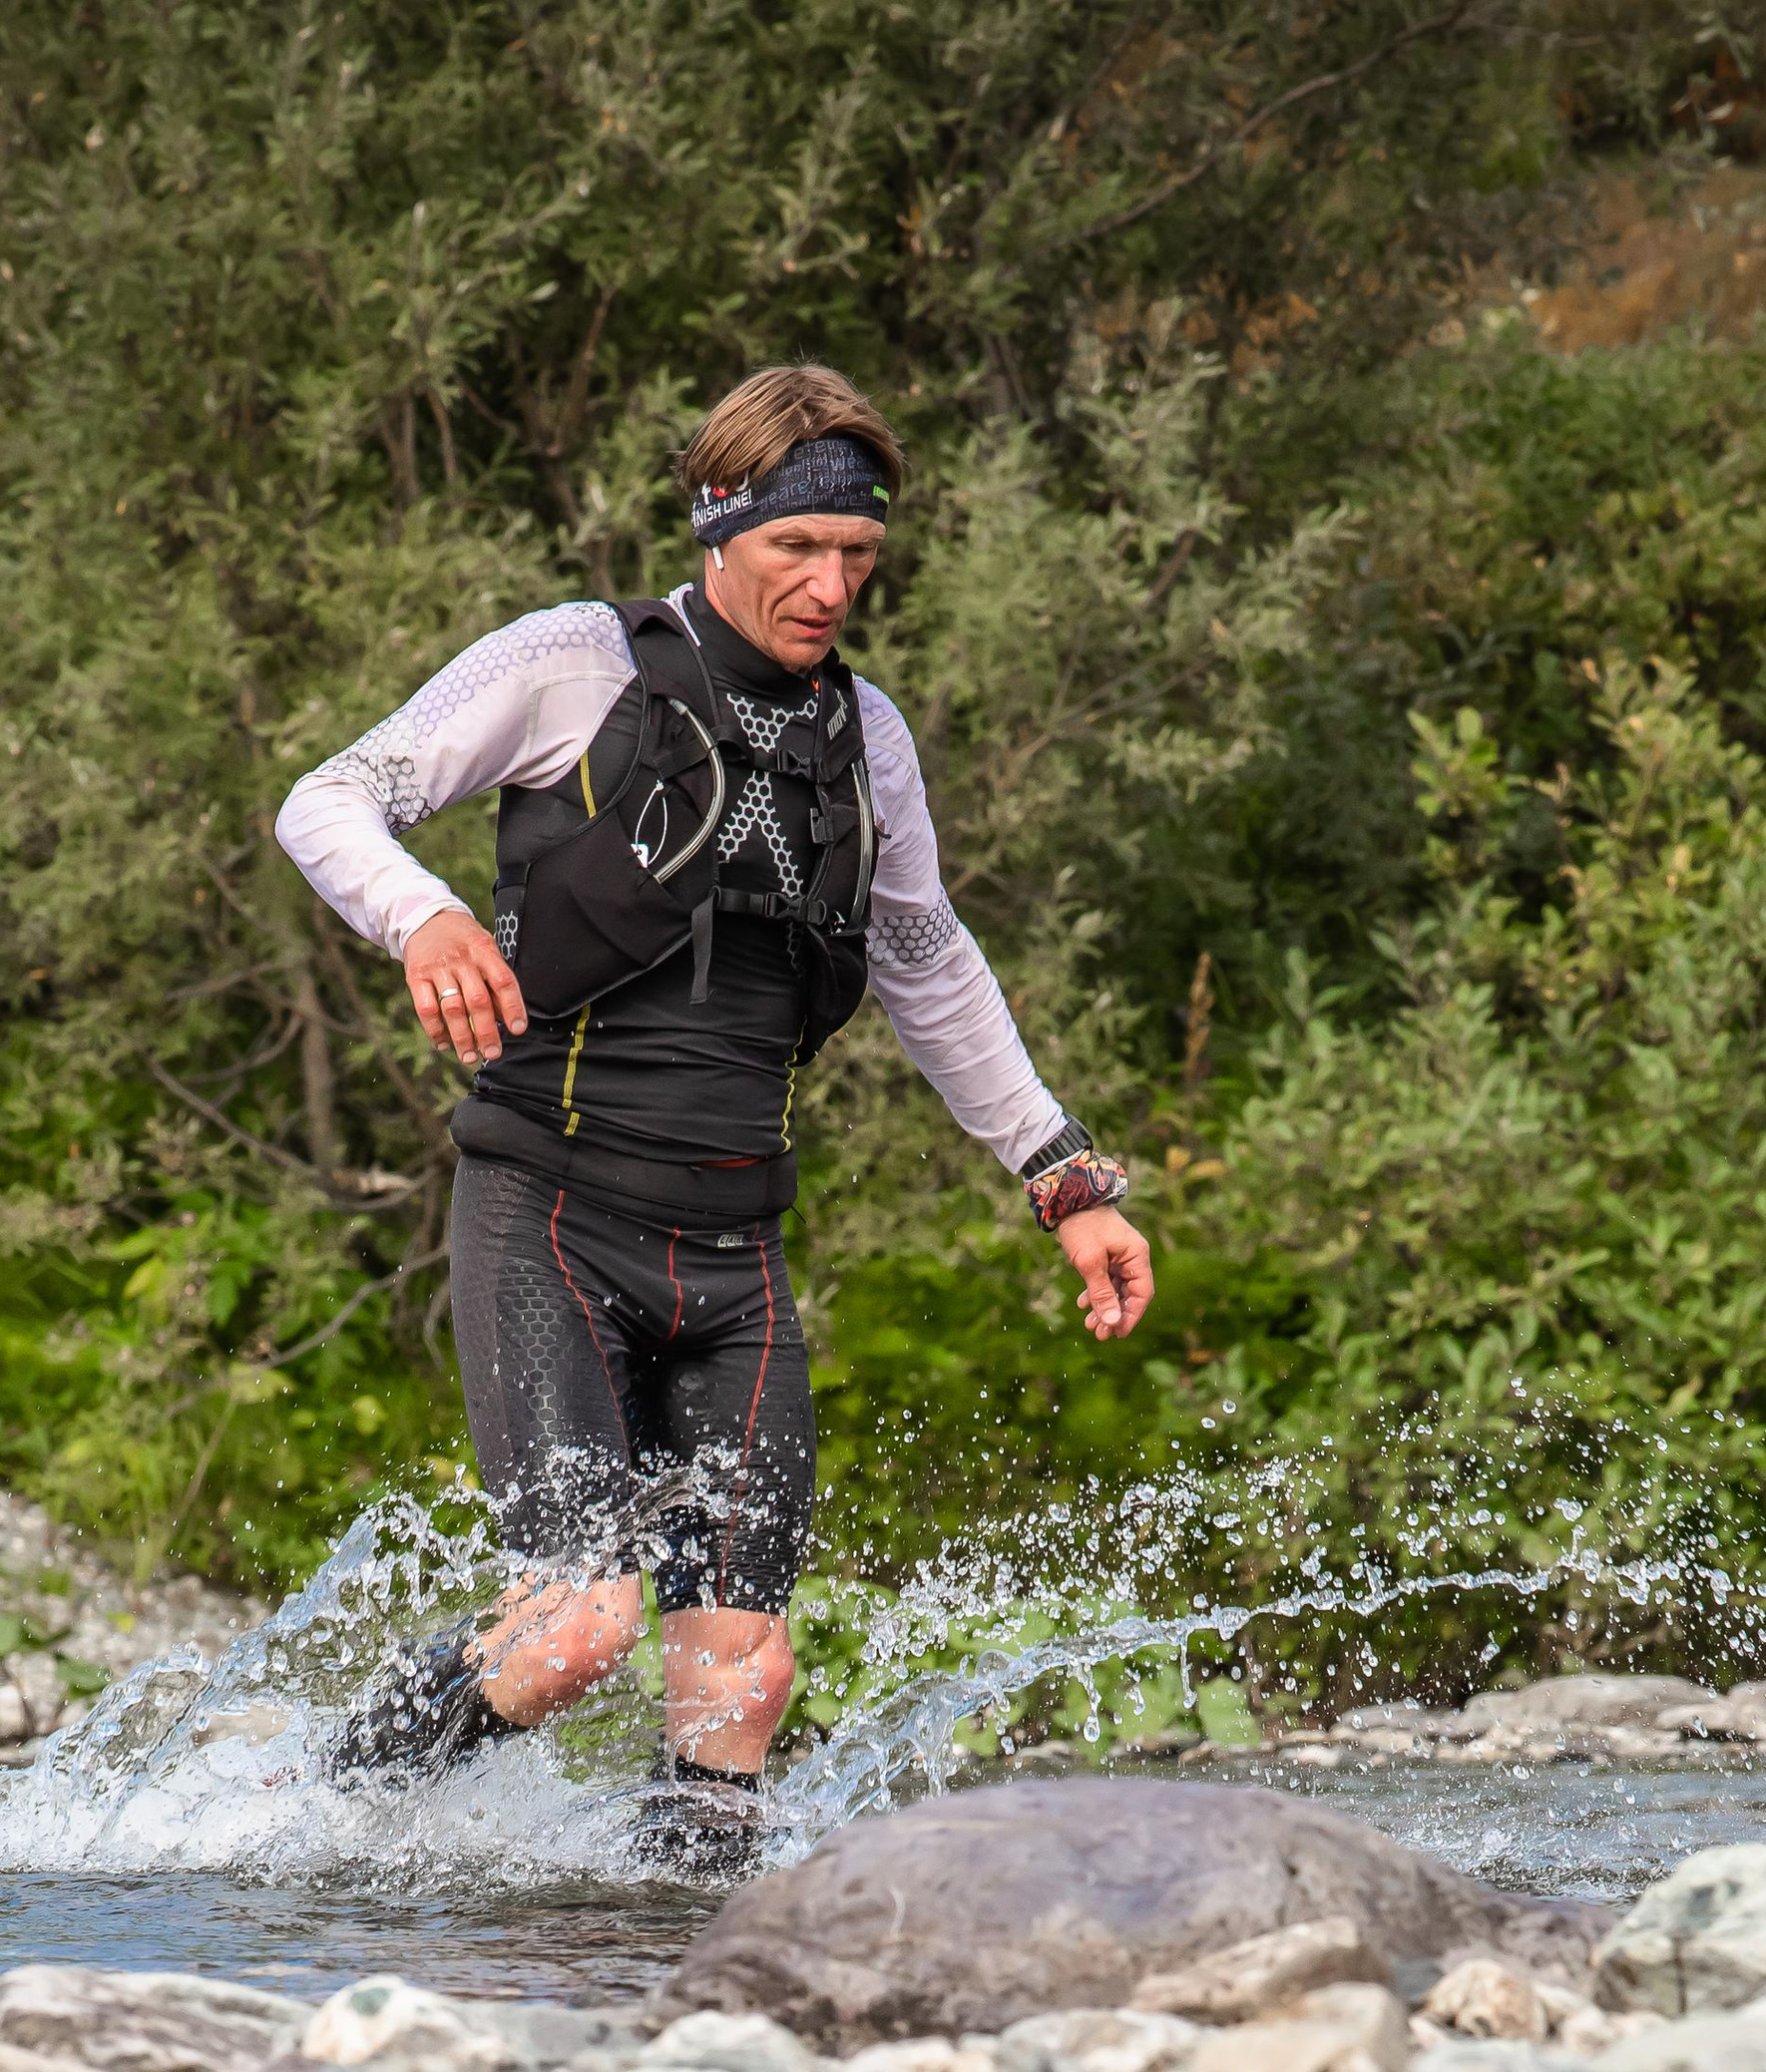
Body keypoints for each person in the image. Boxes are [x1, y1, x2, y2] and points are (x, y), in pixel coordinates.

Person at [274, 360, 1156, 1868]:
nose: (829, 588)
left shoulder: (866, 736)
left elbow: (929, 958)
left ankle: (688, 1988)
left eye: (858, 559)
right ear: (717, 527)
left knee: (742, 1683)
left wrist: (1067, 1182)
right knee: (575, 1634)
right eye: (795, 552)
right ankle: (307, 1819)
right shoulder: (576, 662)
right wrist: (421, 922)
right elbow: (330, 798)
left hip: (736, 1259)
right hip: (548, 1212)